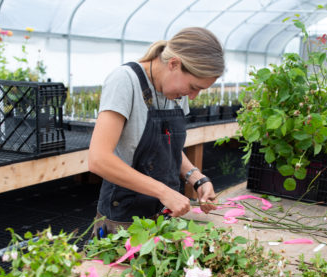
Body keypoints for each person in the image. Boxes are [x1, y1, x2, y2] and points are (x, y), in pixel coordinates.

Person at [88, 27, 225, 237]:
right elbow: (98, 159)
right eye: (194, 87)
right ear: (174, 64)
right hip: (124, 220)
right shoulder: (125, 81)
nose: (194, 96)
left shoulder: (178, 92)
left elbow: (166, 147)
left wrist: (196, 178)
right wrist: (163, 191)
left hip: (164, 216)